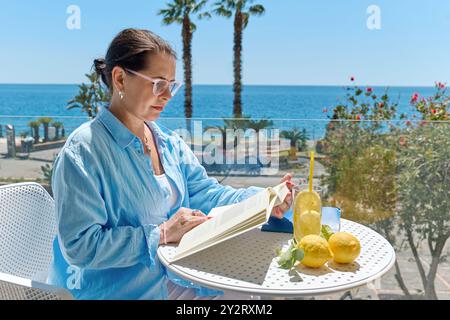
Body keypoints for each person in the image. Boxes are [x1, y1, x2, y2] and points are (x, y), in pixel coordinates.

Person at [47, 28, 293, 300]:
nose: (168, 95)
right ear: (120, 78)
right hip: (124, 292)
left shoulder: (166, 142)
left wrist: (262, 198)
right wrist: (161, 234)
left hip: (174, 280)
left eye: (172, 85)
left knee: (253, 296)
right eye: (158, 83)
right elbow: (80, 246)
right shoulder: (83, 152)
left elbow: (205, 192)